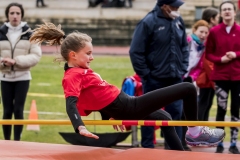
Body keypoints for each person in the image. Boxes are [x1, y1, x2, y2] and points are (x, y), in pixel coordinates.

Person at [29, 22, 225, 151]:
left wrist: (111, 115)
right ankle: (195, 132)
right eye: (88, 53)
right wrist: (79, 126)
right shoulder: (72, 76)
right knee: (187, 88)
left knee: (164, 117)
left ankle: (180, 154)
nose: (92, 57)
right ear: (73, 55)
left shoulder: (80, 72)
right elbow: (71, 103)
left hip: (126, 105)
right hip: (130, 106)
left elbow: (96, 98)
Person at [129, 0, 188, 149]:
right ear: (164, 6)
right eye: (174, 6)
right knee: (150, 114)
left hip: (175, 78)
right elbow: (136, 51)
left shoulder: (178, 21)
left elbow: (184, 47)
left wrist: (183, 68)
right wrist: (146, 74)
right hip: (154, 79)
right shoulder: (148, 22)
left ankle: (175, 150)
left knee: (176, 114)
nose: (177, 9)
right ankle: (147, 149)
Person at [0, 2, 42, 141]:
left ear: (22, 15)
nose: (15, 16)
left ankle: (17, 142)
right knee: (7, 111)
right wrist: (3, 61)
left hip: (22, 77)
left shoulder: (30, 33)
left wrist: (16, 61)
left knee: (18, 110)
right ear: (7, 15)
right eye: (12, 13)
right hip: (5, 77)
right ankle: (6, 142)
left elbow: (36, 55)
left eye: (17, 13)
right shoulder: (1, 32)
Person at [205, 1, 240, 154]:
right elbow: (208, 54)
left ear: (235, 12)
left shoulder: (239, 30)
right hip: (221, 76)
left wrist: (236, 55)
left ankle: (233, 143)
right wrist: (221, 59)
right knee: (221, 109)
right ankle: (219, 143)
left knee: (236, 110)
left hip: (238, 76)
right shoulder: (214, 32)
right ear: (221, 13)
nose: (227, 12)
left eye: (229, 9)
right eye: (224, 9)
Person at [181, 19, 210, 151]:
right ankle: (176, 140)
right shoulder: (187, 41)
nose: (203, 35)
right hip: (178, 76)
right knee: (177, 110)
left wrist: (192, 77)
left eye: (206, 32)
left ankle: (184, 140)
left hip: (189, 79)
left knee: (187, 111)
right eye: (201, 31)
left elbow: (199, 66)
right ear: (194, 31)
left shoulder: (203, 47)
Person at [196, 7, 219, 121]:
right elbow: (207, 58)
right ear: (212, 19)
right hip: (206, 76)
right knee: (203, 104)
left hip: (208, 75)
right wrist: (214, 77)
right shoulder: (208, 34)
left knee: (206, 104)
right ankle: (200, 130)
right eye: (217, 17)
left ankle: (202, 129)